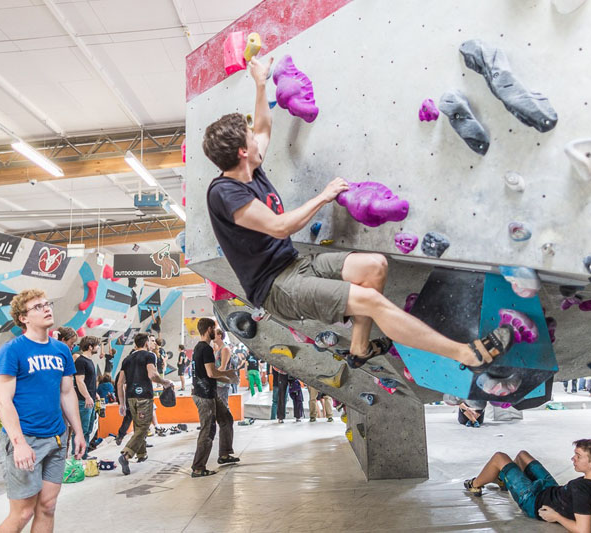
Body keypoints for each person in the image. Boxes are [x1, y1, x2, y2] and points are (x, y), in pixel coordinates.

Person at [203, 56, 514, 377]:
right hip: (276, 288)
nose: (257, 138)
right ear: (242, 151)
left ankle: (359, 348)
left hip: (295, 264)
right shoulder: (224, 193)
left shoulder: (250, 169)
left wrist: (260, 82)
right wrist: (323, 196)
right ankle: (466, 353)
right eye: (249, 137)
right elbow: (281, 227)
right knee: (371, 301)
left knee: (374, 266)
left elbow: (264, 126)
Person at [0, 289, 85, 532]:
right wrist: (19, 442)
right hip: (26, 438)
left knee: (48, 506)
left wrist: (79, 432)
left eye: (47, 304)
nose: (47, 309)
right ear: (23, 318)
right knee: (22, 513)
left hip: (56, 438)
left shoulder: (61, 350)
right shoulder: (11, 351)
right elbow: (3, 401)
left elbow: (67, 392)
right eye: (38, 307)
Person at [464, 439, 591, 531]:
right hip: (551, 489)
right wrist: (590, 510)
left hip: (534, 500)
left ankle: (475, 484)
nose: (573, 459)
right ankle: (504, 477)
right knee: (522, 455)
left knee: (499, 457)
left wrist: (557, 516)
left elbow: (583, 530)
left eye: (578, 456)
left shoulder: (581, 490)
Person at [115, 333, 172, 475]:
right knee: (144, 426)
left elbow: (120, 382)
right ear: (146, 343)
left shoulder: (127, 359)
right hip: (144, 397)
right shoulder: (149, 355)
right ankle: (126, 455)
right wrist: (166, 383)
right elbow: (152, 375)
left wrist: (122, 403)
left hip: (130, 398)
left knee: (137, 425)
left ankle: (142, 454)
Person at [191, 318, 240, 477]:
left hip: (208, 392)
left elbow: (209, 374)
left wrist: (227, 378)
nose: (216, 332)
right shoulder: (205, 349)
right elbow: (212, 373)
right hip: (204, 396)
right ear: (209, 329)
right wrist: (229, 374)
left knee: (226, 418)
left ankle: (224, 454)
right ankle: (198, 467)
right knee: (208, 429)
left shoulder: (200, 348)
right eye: (214, 328)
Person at [74, 336, 99, 460]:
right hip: (83, 401)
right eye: (97, 345)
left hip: (90, 399)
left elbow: (89, 381)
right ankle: (77, 455)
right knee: (82, 429)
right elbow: (79, 381)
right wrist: (87, 397)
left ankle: (84, 453)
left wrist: (95, 395)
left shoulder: (89, 361)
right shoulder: (81, 361)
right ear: (90, 346)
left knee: (89, 429)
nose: (98, 347)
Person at [214, 329, 236, 406]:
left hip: (222, 383)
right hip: (218, 382)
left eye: (214, 334)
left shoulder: (225, 349)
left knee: (223, 407)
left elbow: (223, 367)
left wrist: (210, 375)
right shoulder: (218, 349)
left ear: (219, 335)